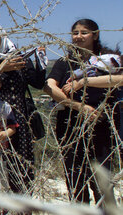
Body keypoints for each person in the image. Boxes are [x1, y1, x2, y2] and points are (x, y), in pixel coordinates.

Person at [44, 19, 120, 204]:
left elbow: (119, 79)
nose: (78, 36)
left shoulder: (109, 58)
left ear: (95, 34)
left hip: (101, 123)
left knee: (102, 179)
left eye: (83, 32)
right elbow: (49, 86)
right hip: (70, 124)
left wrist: (84, 81)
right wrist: (79, 106)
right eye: (75, 33)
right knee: (75, 179)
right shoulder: (65, 62)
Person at [0, 22, 46, 195]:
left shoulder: (17, 55)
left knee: (22, 164)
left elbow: (37, 82)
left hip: (19, 119)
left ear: (1, 34)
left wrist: (40, 59)